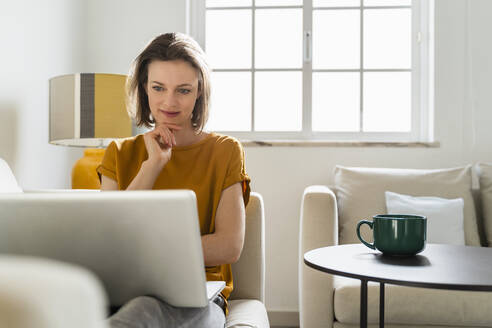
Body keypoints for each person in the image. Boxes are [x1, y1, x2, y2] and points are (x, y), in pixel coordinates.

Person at [96, 32, 250, 328]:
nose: (169, 102)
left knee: (143, 312)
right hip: (126, 290)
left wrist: (144, 250)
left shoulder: (225, 151)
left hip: (197, 295)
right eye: (158, 88)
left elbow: (229, 246)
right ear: (144, 89)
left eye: (183, 90)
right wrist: (152, 166)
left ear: (199, 92)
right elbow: (110, 237)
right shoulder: (119, 153)